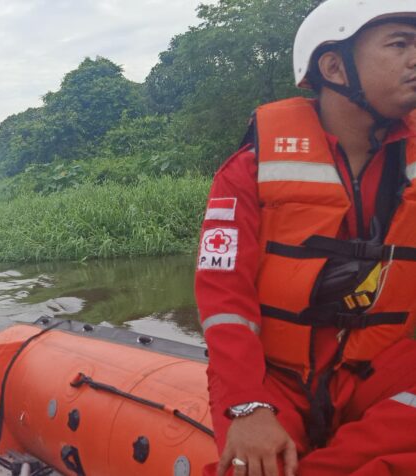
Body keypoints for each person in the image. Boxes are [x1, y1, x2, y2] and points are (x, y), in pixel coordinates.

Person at [195, 2, 416, 475]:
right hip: (276, 377)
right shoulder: (248, 171)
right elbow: (224, 297)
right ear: (334, 66)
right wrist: (247, 407)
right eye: (400, 44)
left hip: (376, 370)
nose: (414, 58)